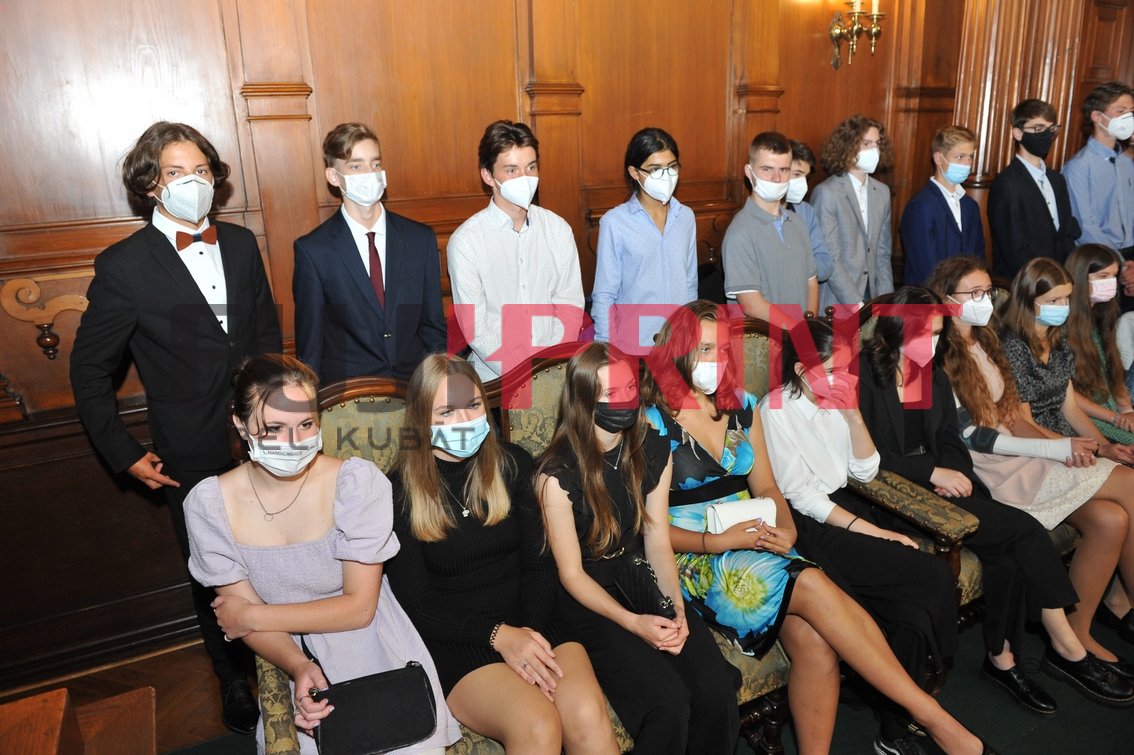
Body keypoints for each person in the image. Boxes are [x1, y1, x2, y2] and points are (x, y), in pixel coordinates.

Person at [639, 306, 990, 755]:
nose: (716, 360)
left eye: (722, 350)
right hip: (694, 556)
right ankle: (935, 719)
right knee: (811, 581)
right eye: (705, 349)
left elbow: (767, 486)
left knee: (817, 643)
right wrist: (719, 541)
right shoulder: (652, 421)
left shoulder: (742, 404)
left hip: (760, 539)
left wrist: (786, 530)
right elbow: (647, 528)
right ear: (677, 350)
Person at [69, 121, 282, 734]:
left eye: (202, 170)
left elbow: (265, 336)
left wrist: (279, 416)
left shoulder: (240, 243)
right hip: (191, 447)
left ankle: (288, 658)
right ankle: (230, 676)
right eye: (176, 172)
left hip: (265, 439)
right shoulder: (124, 266)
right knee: (212, 568)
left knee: (277, 552)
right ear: (150, 185)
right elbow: (89, 369)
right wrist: (122, 451)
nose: (194, 182)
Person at [858, 286, 1132, 714]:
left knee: (1006, 553)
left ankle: (1003, 658)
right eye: (922, 333)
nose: (931, 343)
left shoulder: (930, 373)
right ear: (894, 329)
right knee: (1023, 531)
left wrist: (952, 472)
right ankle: (1065, 647)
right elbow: (866, 456)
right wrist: (932, 473)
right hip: (893, 494)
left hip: (946, 482)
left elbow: (950, 437)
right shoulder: (866, 375)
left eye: (938, 333)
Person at [183, 354, 460, 753]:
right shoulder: (209, 505)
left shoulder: (356, 484)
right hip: (286, 647)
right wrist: (298, 666)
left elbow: (359, 609)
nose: (294, 442)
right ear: (241, 426)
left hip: (372, 644)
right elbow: (241, 614)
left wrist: (252, 616)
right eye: (274, 428)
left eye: (306, 424)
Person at [926, 256, 1134, 705]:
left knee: (1112, 520)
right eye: (974, 294)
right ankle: (1080, 638)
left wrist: (1062, 447)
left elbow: (1014, 416)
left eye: (987, 291)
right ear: (946, 300)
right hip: (994, 468)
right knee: (1130, 488)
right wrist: (1056, 449)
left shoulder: (985, 339)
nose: (986, 300)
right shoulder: (939, 351)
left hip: (1024, 453)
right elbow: (972, 436)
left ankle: (1079, 632)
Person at [385, 354, 618, 753]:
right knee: (537, 723)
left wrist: (527, 638)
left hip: (535, 619)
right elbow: (418, 605)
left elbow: (540, 564)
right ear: (421, 420)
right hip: (459, 640)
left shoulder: (513, 463)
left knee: (585, 712)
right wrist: (499, 637)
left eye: (473, 405)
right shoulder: (397, 492)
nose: (464, 420)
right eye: (447, 411)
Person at [760, 317, 960, 752]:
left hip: (847, 507)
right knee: (929, 575)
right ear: (802, 371)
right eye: (834, 370)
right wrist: (877, 534)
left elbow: (866, 471)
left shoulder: (839, 398)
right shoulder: (775, 410)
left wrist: (851, 415)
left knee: (911, 612)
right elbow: (802, 496)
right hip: (808, 524)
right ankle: (917, 700)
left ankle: (894, 726)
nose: (844, 378)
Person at [536, 342, 740, 754]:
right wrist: (633, 623)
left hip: (639, 575)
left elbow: (657, 539)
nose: (625, 400)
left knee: (716, 689)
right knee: (667, 706)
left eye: (629, 388)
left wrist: (675, 606)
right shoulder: (555, 476)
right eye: (610, 393)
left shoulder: (652, 447)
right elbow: (571, 575)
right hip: (589, 599)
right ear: (583, 401)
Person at [293, 122, 446, 383]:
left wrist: (439, 386)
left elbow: (434, 325)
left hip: (415, 386)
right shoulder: (314, 251)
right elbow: (311, 345)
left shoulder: (419, 239)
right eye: (356, 166)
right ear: (333, 177)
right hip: (350, 393)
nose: (370, 173)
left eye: (375, 164)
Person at [447, 120, 585, 379]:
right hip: (496, 379)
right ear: (488, 176)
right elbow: (475, 327)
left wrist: (550, 368)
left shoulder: (558, 229)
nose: (525, 178)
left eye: (530, 167)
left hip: (555, 372)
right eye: (511, 170)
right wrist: (522, 374)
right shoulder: (467, 241)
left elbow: (570, 305)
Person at [999, 257, 1134, 465]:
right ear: (1028, 300)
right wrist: (1093, 449)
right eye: (1054, 301)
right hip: (1041, 444)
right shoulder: (1014, 346)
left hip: (1067, 435)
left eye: (1067, 298)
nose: (1063, 306)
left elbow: (1070, 407)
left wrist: (1105, 448)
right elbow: (1024, 423)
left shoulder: (1057, 338)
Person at [591, 127, 697, 352]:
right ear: (634, 172)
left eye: (672, 167)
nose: (666, 176)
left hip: (679, 343)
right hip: (633, 345)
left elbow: (690, 282)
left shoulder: (686, 217)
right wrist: (606, 352)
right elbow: (604, 295)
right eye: (655, 169)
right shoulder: (615, 222)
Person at [722, 131, 819, 321]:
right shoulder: (740, 232)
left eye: (783, 170)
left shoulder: (798, 223)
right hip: (762, 338)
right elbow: (752, 305)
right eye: (767, 169)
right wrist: (798, 331)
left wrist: (810, 326)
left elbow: (811, 283)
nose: (776, 178)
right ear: (749, 172)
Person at [987, 98, 1080, 281]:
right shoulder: (1006, 183)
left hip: (1059, 279)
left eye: (1051, 129)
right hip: (1024, 283)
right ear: (1018, 133)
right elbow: (1014, 247)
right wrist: (1042, 283)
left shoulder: (1057, 180)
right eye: (1038, 128)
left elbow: (1066, 234)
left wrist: (1067, 276)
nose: (1046, 135)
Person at [811, 115, 895, 311]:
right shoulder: (827, 193)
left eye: (877, 144)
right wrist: (857, 306)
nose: (874, 150)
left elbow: (882, 253)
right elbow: (830, 258)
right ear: (848, 146)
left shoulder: (882, 192)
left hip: (873, 297)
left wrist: (887, 302)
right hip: (837, 301)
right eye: (866, 143)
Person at [1063, 81, 1134, 312]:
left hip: (1130, 260)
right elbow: (1085, 225)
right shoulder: (1079, 166)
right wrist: (1120, 265)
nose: (1128, 118)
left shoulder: (1126, 163)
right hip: (1099, 261)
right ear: (1097, 116)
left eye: (1131, 112)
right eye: (1120, 111)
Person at [1065, 244, 1134, 444]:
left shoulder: (1102, 314)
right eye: (1103, 276)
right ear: (1080, 277)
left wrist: (1127, 410)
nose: (1111, 282)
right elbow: (1066, 394)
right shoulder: (1062, 323)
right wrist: (1116, 417)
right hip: (1086, 414)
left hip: (1111, 408)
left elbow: (1114, 370)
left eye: (1114, 276)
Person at [899, 125, 984, 285]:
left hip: (966, 295)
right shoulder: (921, 206)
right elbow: (926, 269)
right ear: (939, 158)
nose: (967, 164)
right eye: (960, 157)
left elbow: (978, 259)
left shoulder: (970, 206)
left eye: (970, 157)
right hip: (929, 296)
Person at [786, 140, 837, 297]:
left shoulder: (806, 211)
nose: (802, 183)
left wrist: (795, 269)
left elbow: (825, 264)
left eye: (805, 177)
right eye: (796, 174)